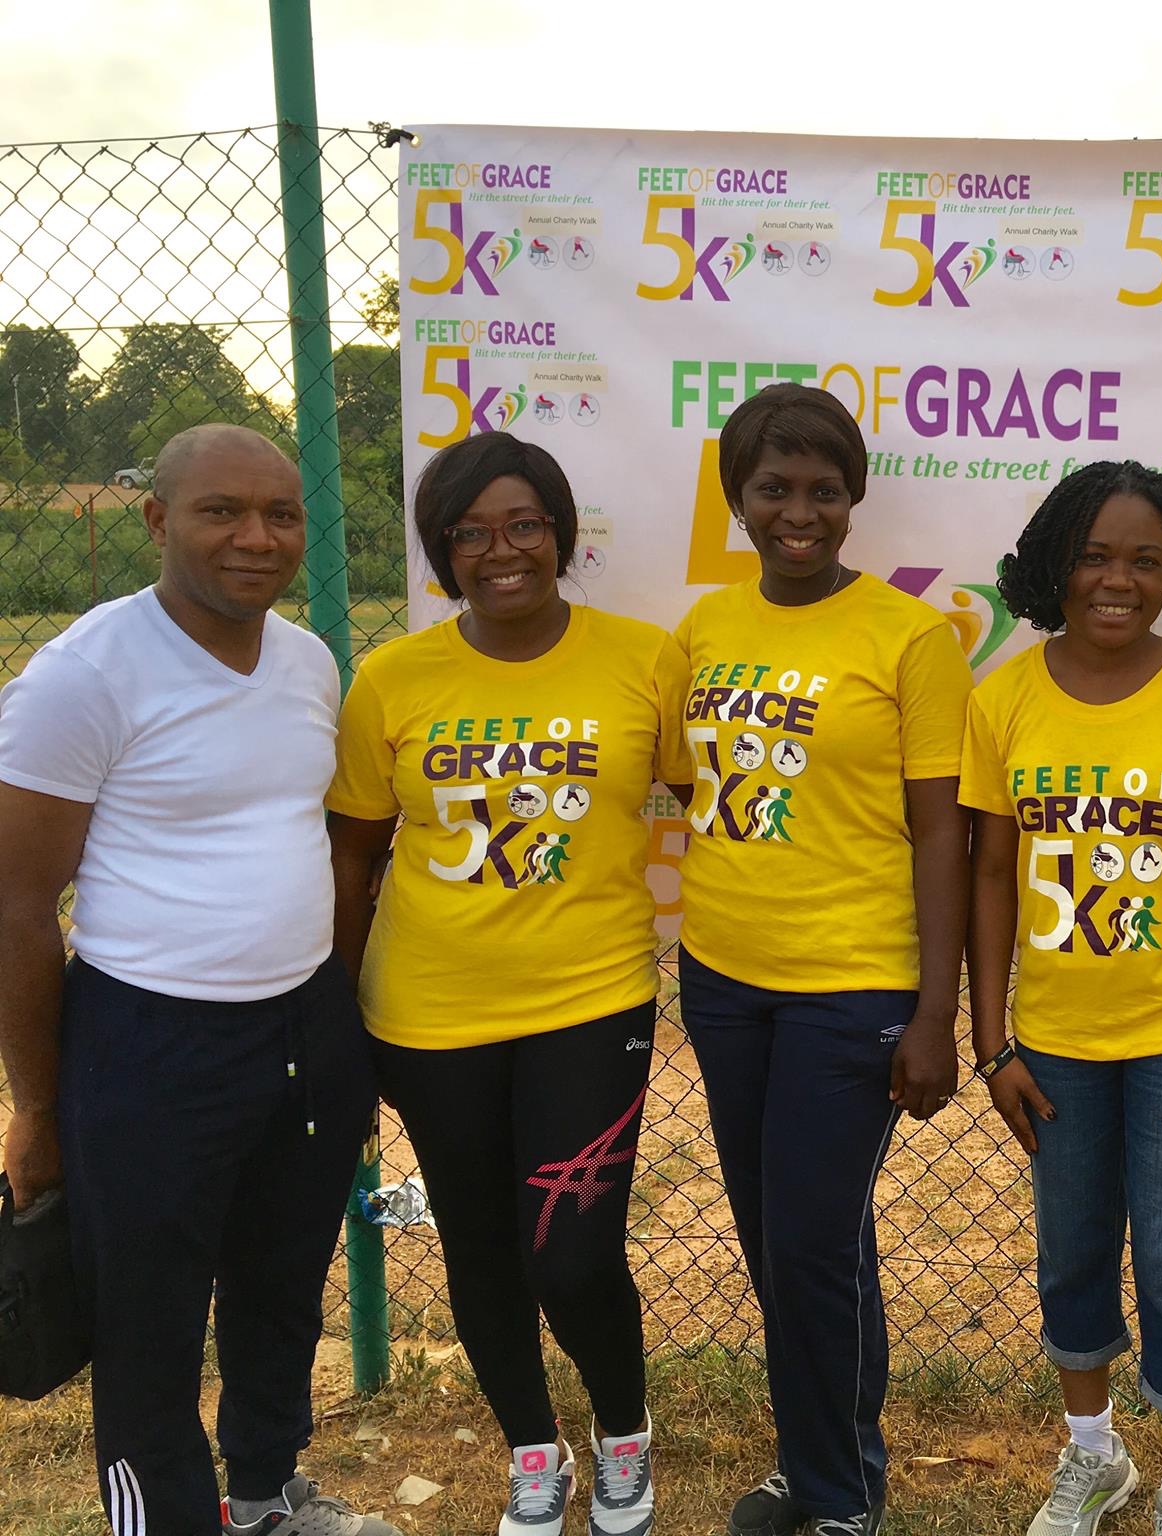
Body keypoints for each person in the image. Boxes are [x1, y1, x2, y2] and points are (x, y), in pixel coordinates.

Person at [0, 424, 394, 1536]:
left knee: (283, 1282)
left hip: (304, 1024)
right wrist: (37, 1107)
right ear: (157, 519)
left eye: (281, 514)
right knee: (147, 1319)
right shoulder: (83, 676)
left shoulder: (308, 662)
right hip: (148, 1040)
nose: (256, 537)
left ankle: (265, 1493)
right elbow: (18, 907)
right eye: (223, 511)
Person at [327, 431, 691, 1536]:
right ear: (442, 550)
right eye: (470, 533)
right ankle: (536, 1453)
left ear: (561, 533)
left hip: (591, 999)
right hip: (427, 1014)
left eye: (524, 524)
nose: (501, 551)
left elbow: (704, 801)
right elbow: (354, 854)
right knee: (481, 1247)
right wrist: (334, 1008)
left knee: (570, 1255)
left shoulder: (644, 660)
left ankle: (622, 1433)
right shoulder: (393, 679)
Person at [962, 463, 1162, 1536]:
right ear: (1056, 563)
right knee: (1071, 1252)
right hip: (1055, 1040)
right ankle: (1094, 1457)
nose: (1118, 580)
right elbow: (990, 874)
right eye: (1095, 556)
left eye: (1145, 561)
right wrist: (992, 1042)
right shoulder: (1004, 698)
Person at [674, 384, 972, 1536]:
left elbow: (940, 833)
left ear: (853, 501)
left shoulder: (908, 637)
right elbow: (693, 783)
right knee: (782, 1240)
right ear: (737, 499)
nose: (798, 513)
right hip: (722, 973)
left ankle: (842, 1496)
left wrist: (935, 1011)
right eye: (773, 489)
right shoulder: (705, 629)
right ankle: (815, 1468)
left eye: (823, 491)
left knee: (809, 1242)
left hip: (852, 982)